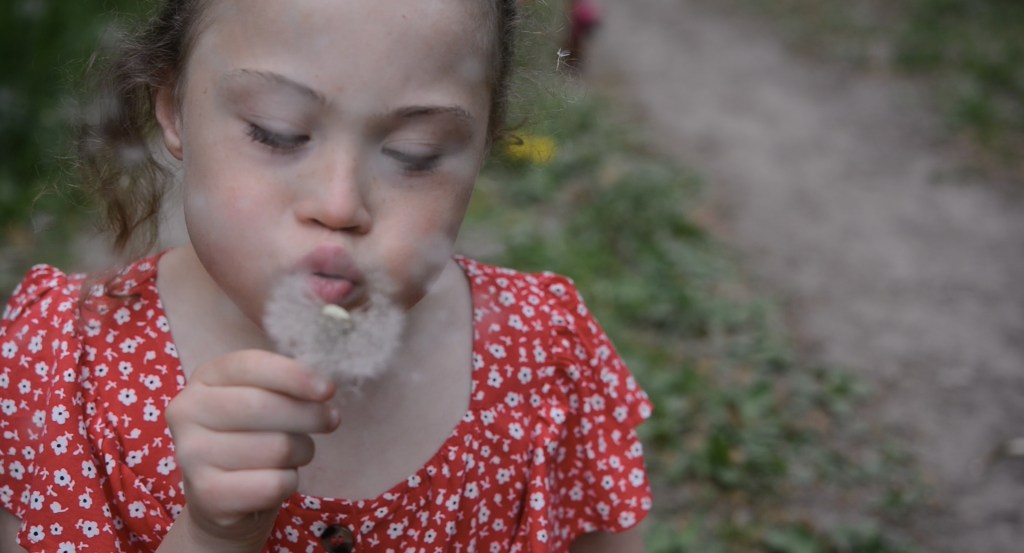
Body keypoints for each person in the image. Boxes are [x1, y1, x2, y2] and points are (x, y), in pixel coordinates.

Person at [0, 0, 653, 551]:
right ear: (172, 108)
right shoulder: (61, 368)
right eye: (277, 133)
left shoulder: (544, 359)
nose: (340, 205)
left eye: (415, 154)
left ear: (484, 144)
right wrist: (209, 536)